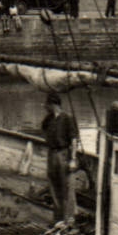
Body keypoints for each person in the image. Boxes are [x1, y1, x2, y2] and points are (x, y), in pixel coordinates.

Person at [41, 92, 78, 226]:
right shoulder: (49, 119)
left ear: (53, 104)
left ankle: (68, 219)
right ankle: (58, 219)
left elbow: (74, 139)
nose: (45, 107)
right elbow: (43, 129)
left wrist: (73, 159)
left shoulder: (67, 118)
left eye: (47, 105)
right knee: (54, 185)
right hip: (52, 154)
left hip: (63, 153)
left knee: (66, 187)